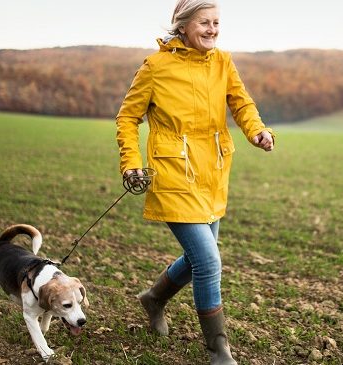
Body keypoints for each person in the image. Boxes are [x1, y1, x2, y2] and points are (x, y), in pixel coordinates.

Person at [114, 1, 274, 364]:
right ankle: (219, 350)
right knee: (208, 260)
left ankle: (153, 299)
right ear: (183, 25)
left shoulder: (223, 62)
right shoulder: (156, 67)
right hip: (172, 174)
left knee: (199, 258)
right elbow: (127, 118)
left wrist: (258, 131)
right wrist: (130, 163)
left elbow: (242, 104)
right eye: (205, 22)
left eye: (217, 22)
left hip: (213, 172)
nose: (213, 29)